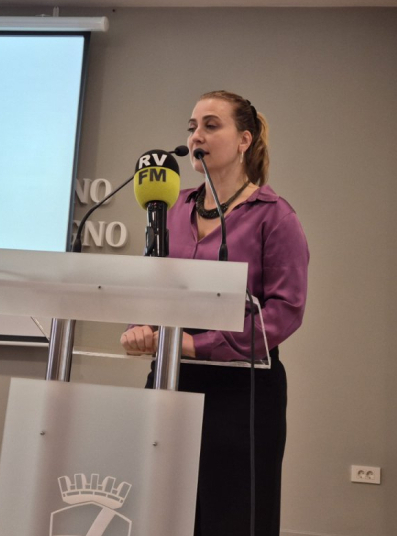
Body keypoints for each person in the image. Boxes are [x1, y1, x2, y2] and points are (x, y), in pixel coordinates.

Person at [121, 90, 310, 536]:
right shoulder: (171, 210)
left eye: (210, 125)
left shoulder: (275, 217)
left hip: (242, 390)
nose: (196, 137)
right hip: (171, 377)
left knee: (233, 517)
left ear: (244, 140)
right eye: (192, 127)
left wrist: (199, 344)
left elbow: (285, 311)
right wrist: (140, 327)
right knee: (162, 512)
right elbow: (151, 285)